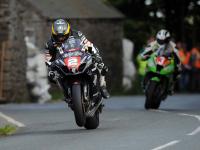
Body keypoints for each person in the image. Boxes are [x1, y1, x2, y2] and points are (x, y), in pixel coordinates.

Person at [44, 19, 110, 99]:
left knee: (99, 65)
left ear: (68, 32)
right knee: (53, 76)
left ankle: (103, 86)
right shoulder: (50, 43)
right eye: (58, 36)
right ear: (54, 34)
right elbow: (48, 58)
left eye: (63, 36)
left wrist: (95, 55)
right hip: (64, 62)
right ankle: (66, 93)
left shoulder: (77, 34)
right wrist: (50, 67)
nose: (61, 38)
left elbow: (88, 45)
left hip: (80, 56)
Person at [140, 29, 181, 94]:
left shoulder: (172, 45)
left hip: (168, 61)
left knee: (178, 71)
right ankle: (144, 82)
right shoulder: (153, 43)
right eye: (159, 40)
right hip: (156, 60)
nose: (161, 42)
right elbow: (145, 52)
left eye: (163, 40)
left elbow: (178, 55)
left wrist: (178, 63)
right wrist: (144, 56)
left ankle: (172, 85)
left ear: (168, 39)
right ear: (157, 38)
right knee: (147, 67)